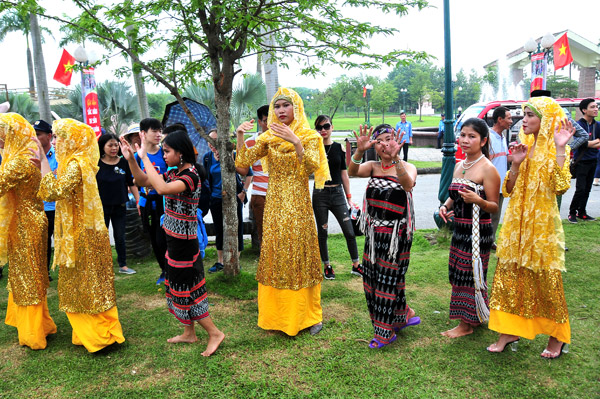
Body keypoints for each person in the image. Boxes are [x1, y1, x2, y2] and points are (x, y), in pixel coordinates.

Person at [235, 87, 329, 336]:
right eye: (277, 106)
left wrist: (295, 140)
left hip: (298, 206)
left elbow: (312, 165)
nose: (281, 110)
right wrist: (240, 135)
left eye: (286, 105)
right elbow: (241, 164)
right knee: (277, 254)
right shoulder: (268, 138)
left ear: (296, 107)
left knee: (301, 254)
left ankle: (309, 315)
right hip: (275, 205)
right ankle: (276, 316)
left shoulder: (310, 136)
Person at [121, 129, 225, 356]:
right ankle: (189, 333)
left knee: (189, 291)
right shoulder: (173, 172)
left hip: (185, 245)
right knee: (178, 289)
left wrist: (145, 156)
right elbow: (142, 181)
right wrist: (131, 159)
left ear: (181, 153)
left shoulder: (191, 176)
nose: (164, 155)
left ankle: (214, 333)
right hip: (174, 241)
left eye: (167, 151)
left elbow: (162, 189)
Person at [487, 96, 575, 358]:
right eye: (523, 114)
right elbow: (508, 190)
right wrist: (515, 164)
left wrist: (560, 147)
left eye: (530, 115)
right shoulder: (521, 146)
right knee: (510, 276)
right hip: (517, 223)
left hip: (542, 226)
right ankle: (509, 330)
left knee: (546, 280)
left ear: (544, 120)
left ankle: (556, 337)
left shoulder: (558, 149)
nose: (523, 120)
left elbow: (560, 186)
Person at [35, 118, 125, 353]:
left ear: (71, 140)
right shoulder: (81, 162)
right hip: (86, 232)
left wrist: (43, 160)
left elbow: (51, 192)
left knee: (84, 284)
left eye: (58, 137)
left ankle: (98, 335)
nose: (55, 141)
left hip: (81, 235)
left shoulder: (76, 164)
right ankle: (89, 332)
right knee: (90, 283)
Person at [348, 123, 420, 349]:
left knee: (386, 283)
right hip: (373, 235)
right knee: (372, 280)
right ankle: (403, 314)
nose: (385, 144)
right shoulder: (372, 166)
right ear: (375, 146)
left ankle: (384, 333)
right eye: (380, 141)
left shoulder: (408, 166)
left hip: (396, 236)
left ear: (398, 141)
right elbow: (351, 172)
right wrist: (358, 151)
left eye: (390, 138)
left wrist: (396, 159)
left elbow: (407, 186)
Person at [439, 118, 500, 338]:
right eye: (463, 135)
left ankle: (466, 325)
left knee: (470, 275)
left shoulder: (488, 169)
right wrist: (445, 206)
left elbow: (493, 206)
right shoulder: (459, 165)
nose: (465, 140)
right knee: (458, 272)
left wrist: (478, 200)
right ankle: (478, 314)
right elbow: (453, 194)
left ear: (483, 141)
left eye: (472, 136)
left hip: (478, 234)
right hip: (460, 231)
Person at [1, 113, 56, 350]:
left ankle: (33, 333)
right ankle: (40, 326)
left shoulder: (20, 161)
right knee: (30, 276)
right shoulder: (22, 156)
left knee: (28, 279)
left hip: (26, 226)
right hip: (30, 222)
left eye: (2, 132)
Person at [311, 114, 360, 280]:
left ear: (332, 127)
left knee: (349, 231)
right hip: (320, 194)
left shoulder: (339, 148)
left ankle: (356, 265)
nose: (323, 130)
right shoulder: (313, 148)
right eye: (319, 127)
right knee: (322, 232)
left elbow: (344, 175)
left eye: (326, 126)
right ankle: (327, 266)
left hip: (338, 193)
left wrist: (349, 197)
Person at [203, 130, 246, 273]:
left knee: (236, 228)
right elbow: (206, 178)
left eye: (215, 140)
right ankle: (220, 261)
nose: (212, 144)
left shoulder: (231, 155)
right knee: (219, 229)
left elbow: (247, 172)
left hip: (233, 198)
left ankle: (236, 260)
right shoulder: (207, 158)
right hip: (215, 199)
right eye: (210, 141)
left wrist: (243, 192)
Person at [96, 133, 138, 275]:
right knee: (101, 237)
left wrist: (138, 200)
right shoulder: (96, 163)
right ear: (102, 147)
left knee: (120, 236)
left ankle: (123, 265)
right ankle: (102, 266)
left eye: (116, 145)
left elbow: (130, 183)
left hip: (120, 205)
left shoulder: (123, 162)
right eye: (110, 145)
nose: (114, 148)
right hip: (101, 207)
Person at [135, 118, 168, 284]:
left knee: (165, 237)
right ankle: (163, 270)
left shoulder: (165, 152)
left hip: (164, 200)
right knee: (154, 238)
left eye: (159, 130)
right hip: (147, 202)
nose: (158, 134)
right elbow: (132, 182)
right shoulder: (136, 156)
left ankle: (171, 269)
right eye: (154, 131)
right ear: (143, 134)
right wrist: (138, 200)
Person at [236, 105, 270, 251]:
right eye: (266, 120)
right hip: (261, 196)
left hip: (283, 194)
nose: (270, 124)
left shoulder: (285, 140)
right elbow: (243, 169)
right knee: (265, 236)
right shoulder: (252, 142)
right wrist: (240, 135)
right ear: (260, 122)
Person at [33, 119, 58, 280]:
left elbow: (55, 179)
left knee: (61, 240)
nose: (34, 138)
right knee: (43, 242)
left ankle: (65, 270)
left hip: (56, 206)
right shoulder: (31, 154)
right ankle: (44, 272)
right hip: (39, 206)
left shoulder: (57, 154)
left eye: (38, 134)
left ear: (49, 136)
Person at [568, 98, 599, 223]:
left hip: (593, 160)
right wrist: (590, 143)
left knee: (587, 189)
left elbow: (589, 143)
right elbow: (580, 144)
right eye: (592, 107)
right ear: (584, 110)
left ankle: (582, 212)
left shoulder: (598, 125)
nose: (596, 109)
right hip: (581, 161)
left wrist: (587, 143)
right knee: (580, 188)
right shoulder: (578, 125)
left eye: (596, 106)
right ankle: (572, 213)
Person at [488, 107, 511, 249]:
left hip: (500, 184)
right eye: (508, 118)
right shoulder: (488, 137)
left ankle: (490, 241)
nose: (511, 121)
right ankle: (482, 241)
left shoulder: (502, 137)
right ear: (499, 119)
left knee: (495, 216)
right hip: (489, 185)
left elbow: (505, 158)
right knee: (486, 216)